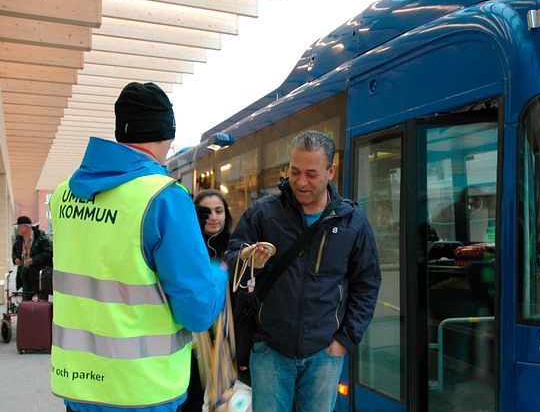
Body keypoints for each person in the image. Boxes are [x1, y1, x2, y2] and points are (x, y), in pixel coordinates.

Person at [48, 82, 228, 412]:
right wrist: (219, 275)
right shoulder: (164, 198)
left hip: (79, 386)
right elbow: (198, 311)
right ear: (167, 134)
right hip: (141, 391)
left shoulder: (64, 194)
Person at [224, 130, 381, 412]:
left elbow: (367, 284)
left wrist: (344, 340)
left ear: (331, 171)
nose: (300, 182)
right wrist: (247, 259)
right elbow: (230, 258)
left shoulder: (352, 221)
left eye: (311, 173)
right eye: (294, 172)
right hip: (270, 350)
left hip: (325, 353)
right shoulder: (263, 213)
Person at [182, 189, 233, 412]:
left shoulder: (237, 248)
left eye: (219, 211)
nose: (213, 217)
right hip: (192, 347)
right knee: (192, 401)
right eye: (206, 212)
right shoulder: (185, 248)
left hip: (226, 345)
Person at [11, 216, 53, 301]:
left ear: (25, 227)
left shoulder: (41, 237)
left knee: (41, 301)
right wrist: (15, 258)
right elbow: (14, 252)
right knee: (26, 299)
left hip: (39, 275)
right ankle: (27, 313)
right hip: (25, 273)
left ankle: (41, 314)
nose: (17, 229)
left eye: (18, 227)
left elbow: (49, 253)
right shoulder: (19, 239)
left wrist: (33, 260)